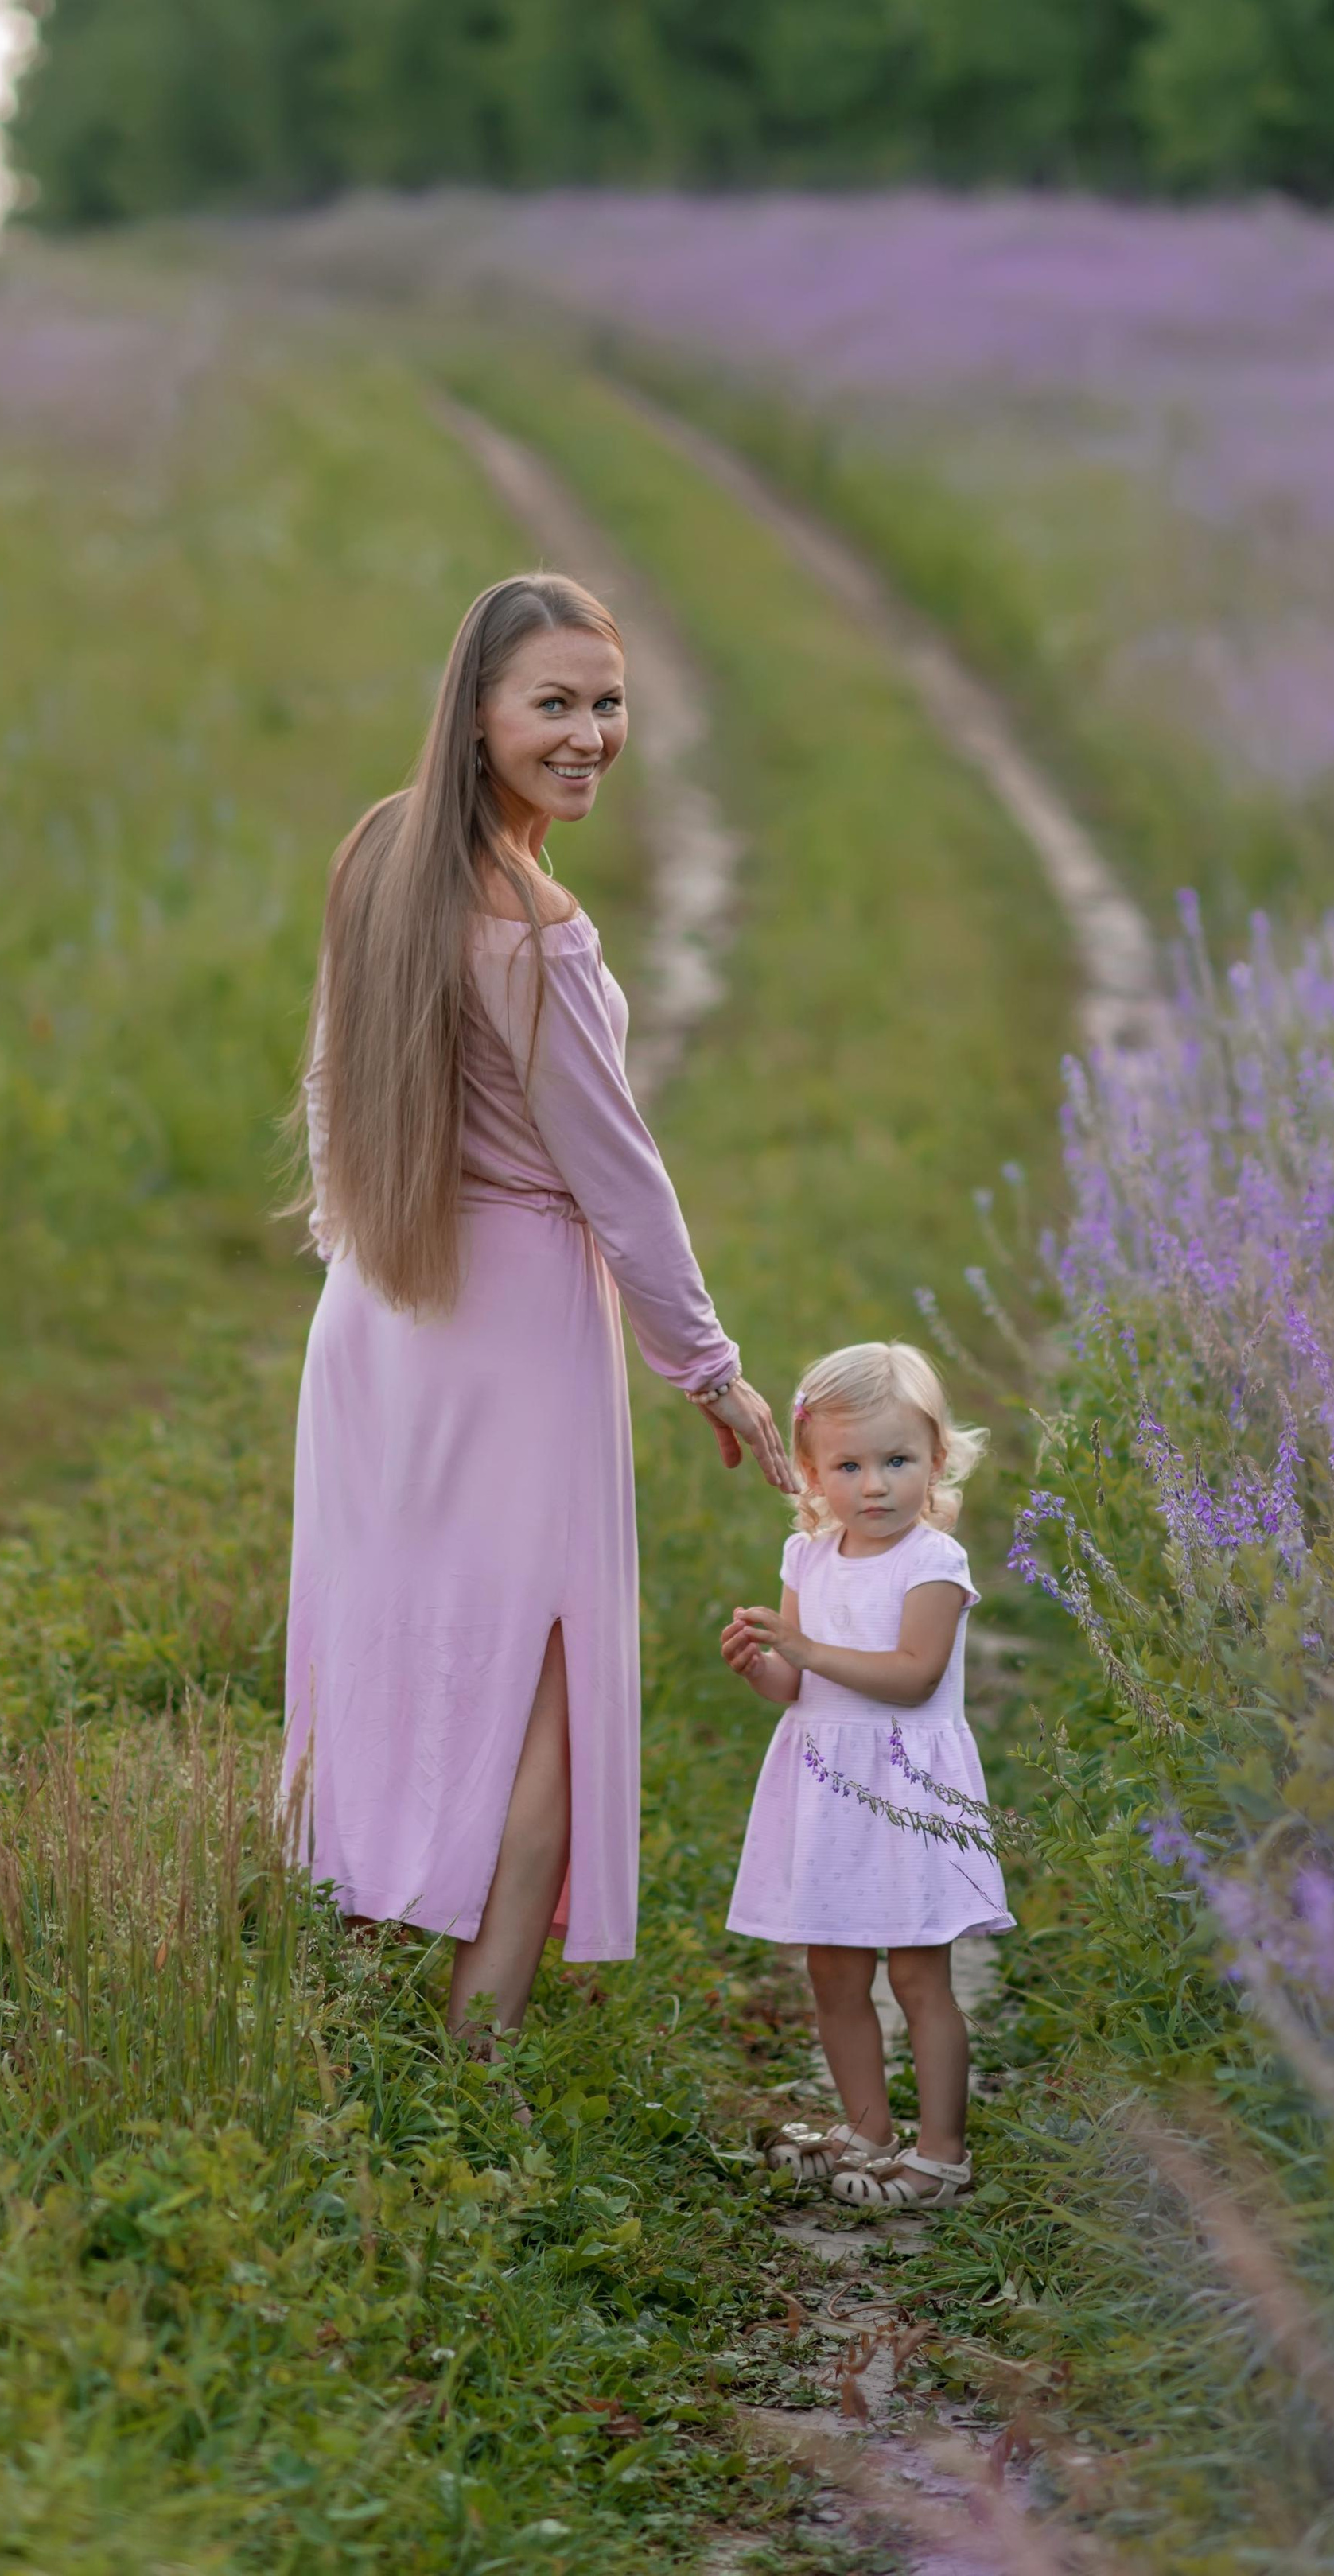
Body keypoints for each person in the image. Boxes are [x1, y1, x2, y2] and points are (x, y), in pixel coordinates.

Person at [284, 569, 790, 2039]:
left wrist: (358, 1241)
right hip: (507, 1337)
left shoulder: (378, 855)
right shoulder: (537, 926)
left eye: (608, 703)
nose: (587, 737)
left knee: (397, 1648)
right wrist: (710, 1368)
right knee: (543, 1703)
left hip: (376, 1314)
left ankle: (370, 1977)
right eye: (553, 705)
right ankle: (472, 2061)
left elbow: (334, 1087)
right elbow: (620, 1179)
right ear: (482, 713)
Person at [719, 1340, 1014, 2209]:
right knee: (834, 1972)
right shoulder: (807, 1558)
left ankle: (940, 2150)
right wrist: (764, 1665)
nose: (875, 1485)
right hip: (826, 1787)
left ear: (936, 1460)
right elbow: (798, 1688)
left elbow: (914, 1674)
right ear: (810, 1471)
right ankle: (865, 2127)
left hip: (907, 1791)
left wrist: (806, 1647)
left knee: (919, 1974)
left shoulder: (932, 1563)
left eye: (898, 1461)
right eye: (849, 1465)